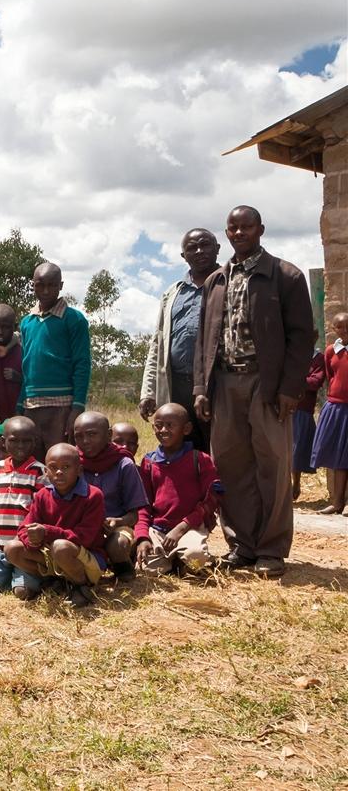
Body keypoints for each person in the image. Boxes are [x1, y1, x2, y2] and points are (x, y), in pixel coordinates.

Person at [193, 206, 316, 577]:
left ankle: (272, 549)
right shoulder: (216, 280)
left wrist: (290, 388)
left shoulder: (285, 275)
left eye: (247, 226)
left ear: (260, 229)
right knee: (230, 466)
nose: (240, 231)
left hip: (268, 383)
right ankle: (242, 545)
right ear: (227, 233)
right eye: (233, 227)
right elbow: (203, 339)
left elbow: (302, 337)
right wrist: (201, 387)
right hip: (224, 384)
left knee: (273, 466)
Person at [139, 229, 222, 451]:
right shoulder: (173, 292)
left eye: (205, 245)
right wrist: (148, 392)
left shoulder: (228, 285)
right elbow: (157, 344)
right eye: (192, 248)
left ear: (217, 249)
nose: (199, 251)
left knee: (219, 446)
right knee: (181, 448)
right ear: (183, 255)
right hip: (177, 385)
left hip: (218, 384)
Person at [5, 443, 105, 608]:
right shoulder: (43, 495)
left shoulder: (92, 496)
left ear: (79, 469)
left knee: (61, 547)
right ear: (46, 472)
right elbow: (24, 527)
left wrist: (47, 532)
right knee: (11, 549)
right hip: (54, 555)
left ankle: (81, 586)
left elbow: (84, 538)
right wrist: (32, 540)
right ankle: (55, 580)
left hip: (86, 559)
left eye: (66, 467)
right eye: (53, 467)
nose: (59, 472)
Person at [136, 404, 223, 576]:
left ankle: (182, 555)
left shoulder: (200, 460)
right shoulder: (149, 463)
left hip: (190, 526)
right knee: (148, 570)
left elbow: (212, 500)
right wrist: (142, 537)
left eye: (170, 425)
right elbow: (143, 504)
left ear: (186, 429)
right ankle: (174, 559)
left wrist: (182, 527)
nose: (163, 430)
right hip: (159, 528)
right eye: (158, 425)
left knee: (196, 559)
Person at [19, 263, 91, 452]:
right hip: (31, 405)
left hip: (62, 407)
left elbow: (82, 364)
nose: (46, 290)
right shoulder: (27, 322)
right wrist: (19, 405)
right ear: (32, 285)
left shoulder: (74, 319)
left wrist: (77, 407)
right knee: (32, 464)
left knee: (60, 462)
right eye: (40, 285)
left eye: (52, 285)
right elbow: (25, 366)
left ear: (61, 285)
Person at [0, 416, 45, 598]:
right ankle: (4, 575)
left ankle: (22, 577)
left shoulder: (40, 471)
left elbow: (42, 510)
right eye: (14, 441)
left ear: (34, 442)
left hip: (25, 547)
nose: (20, 446)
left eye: (26, 441)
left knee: (23, 593)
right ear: (4, 442)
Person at [73, 411, 147, 580]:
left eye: (92, 434)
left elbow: (134, 515)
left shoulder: (124, 464)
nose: (85, 441)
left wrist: (117, 522)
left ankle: (123, 568)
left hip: (115, 529)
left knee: (117, 543)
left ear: (108, 435)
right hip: (81, 528)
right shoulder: (72, 463)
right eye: (79, 436)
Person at [310, 311, 348, 515]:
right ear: (333, 329)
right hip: (336, 408)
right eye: (340, 327)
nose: (344, 330)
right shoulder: (331, 352)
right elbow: (330, 376)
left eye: (347, 326)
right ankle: (337, 501)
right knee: (337, 458)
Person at [290, 348, 325, 502]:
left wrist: (293, 380)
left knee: (297, 451)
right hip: (283, 409)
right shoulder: (291, 353)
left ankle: (295, 484)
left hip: (302, 409)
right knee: (283, 450)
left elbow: (315, 381)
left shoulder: (317, 358)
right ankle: (284, 487)